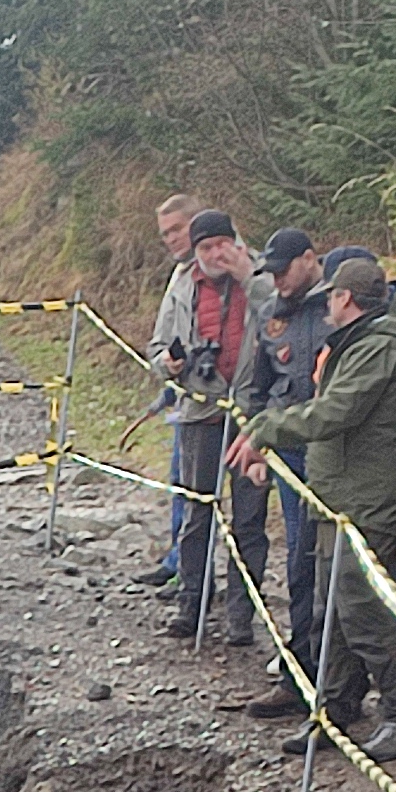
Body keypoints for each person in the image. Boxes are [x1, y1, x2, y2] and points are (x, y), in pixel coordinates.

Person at [231, 248, 396, 759]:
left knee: (361, 610)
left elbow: (337, 411)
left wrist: (266, 428)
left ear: (345, 298)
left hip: (368, 499)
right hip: (338, 497)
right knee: (333, 611)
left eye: (332, 296)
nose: (326, 305)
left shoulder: (378, 347)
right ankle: (336, 708)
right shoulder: (360, 341)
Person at [223, 228, 326, 718]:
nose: (280, 282)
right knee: (301, 568)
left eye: (285, 271)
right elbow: (258, 390)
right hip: (292, 457)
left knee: (340, 575)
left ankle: (345, 685)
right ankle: (300, 679)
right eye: (273, 273)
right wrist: (257, 445)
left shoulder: (341, 311)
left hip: (340, 457)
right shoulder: (271, 314)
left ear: (311, 260)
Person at [154, 210, 260, 640]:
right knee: (198, 512)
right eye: (206, 248)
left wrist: (250, 277)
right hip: (200, 410)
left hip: (253, 415)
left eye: (222, 244)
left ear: (236, 241)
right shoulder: (181, 286)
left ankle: (241, 618)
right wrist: (167, 363)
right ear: (196, 253)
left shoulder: (261, 276)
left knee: (249, 521)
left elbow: (282, 321)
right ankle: (191, 605)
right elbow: (157, 346)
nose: (217, 254)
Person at [129, 193, 200, 590]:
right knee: (180, 482)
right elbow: (159, 342)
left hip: (229, 402)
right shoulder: (178, 275)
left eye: (177, 230)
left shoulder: (240, 268)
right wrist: (166, 365)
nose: (171, 239)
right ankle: (179, 564)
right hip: (184, 397)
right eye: (165, 234)